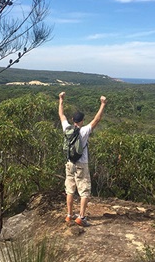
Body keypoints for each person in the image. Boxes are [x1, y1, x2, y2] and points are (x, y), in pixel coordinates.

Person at [58, 91, 107, 226]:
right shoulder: (84, 131)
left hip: (69, 163)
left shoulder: (66, 128)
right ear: (82, 121)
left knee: (70, 189)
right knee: (84, 190)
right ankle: (81, 217)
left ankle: (69, 215)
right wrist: (102, 104)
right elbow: (96, 120)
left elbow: (61, 115)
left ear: (73, 120)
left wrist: (61, 99)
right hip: (82, 164)